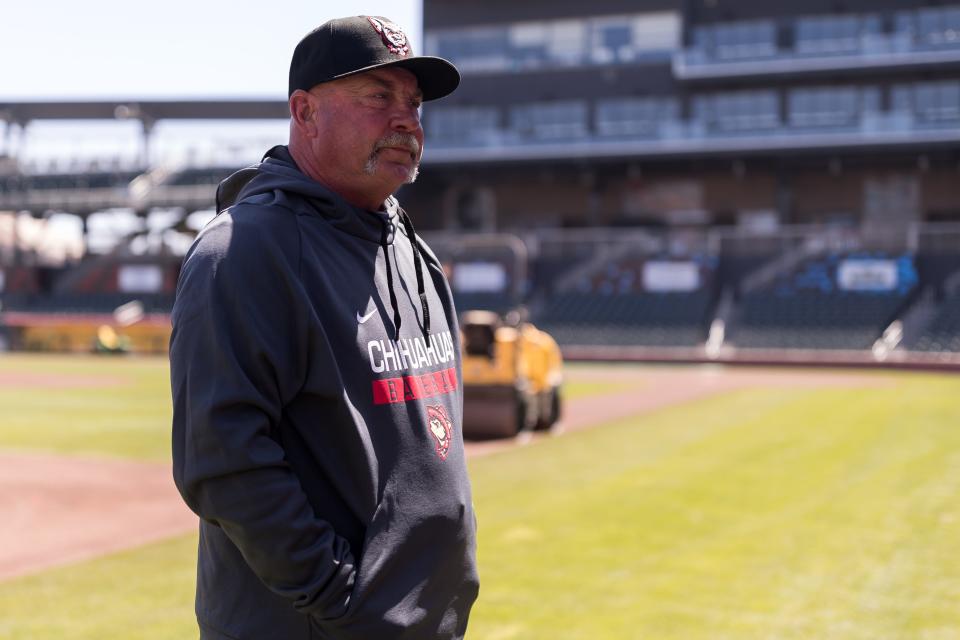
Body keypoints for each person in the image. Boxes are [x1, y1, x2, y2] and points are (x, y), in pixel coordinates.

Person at [169, 16, 478, 640]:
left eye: (413, 104)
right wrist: (342, 599)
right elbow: (225, 459)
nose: (405, 121)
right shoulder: (245, 251)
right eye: (378, 97)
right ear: (305, 112)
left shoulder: (412, 251)